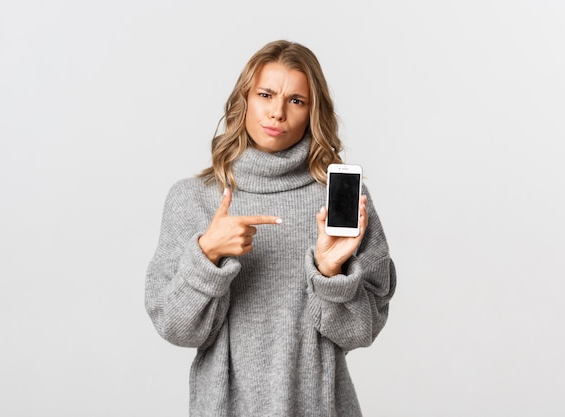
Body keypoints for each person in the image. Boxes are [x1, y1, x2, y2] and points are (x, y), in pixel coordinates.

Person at [145, 39, 396, 417]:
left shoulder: (340, 200)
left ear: (314, 112)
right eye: (266, 94)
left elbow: (362, 331)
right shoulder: (193, 199)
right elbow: (176, 328)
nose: (277, 112)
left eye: (296, 100)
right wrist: (207, 255)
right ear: (243, 100)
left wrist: (330, 274)